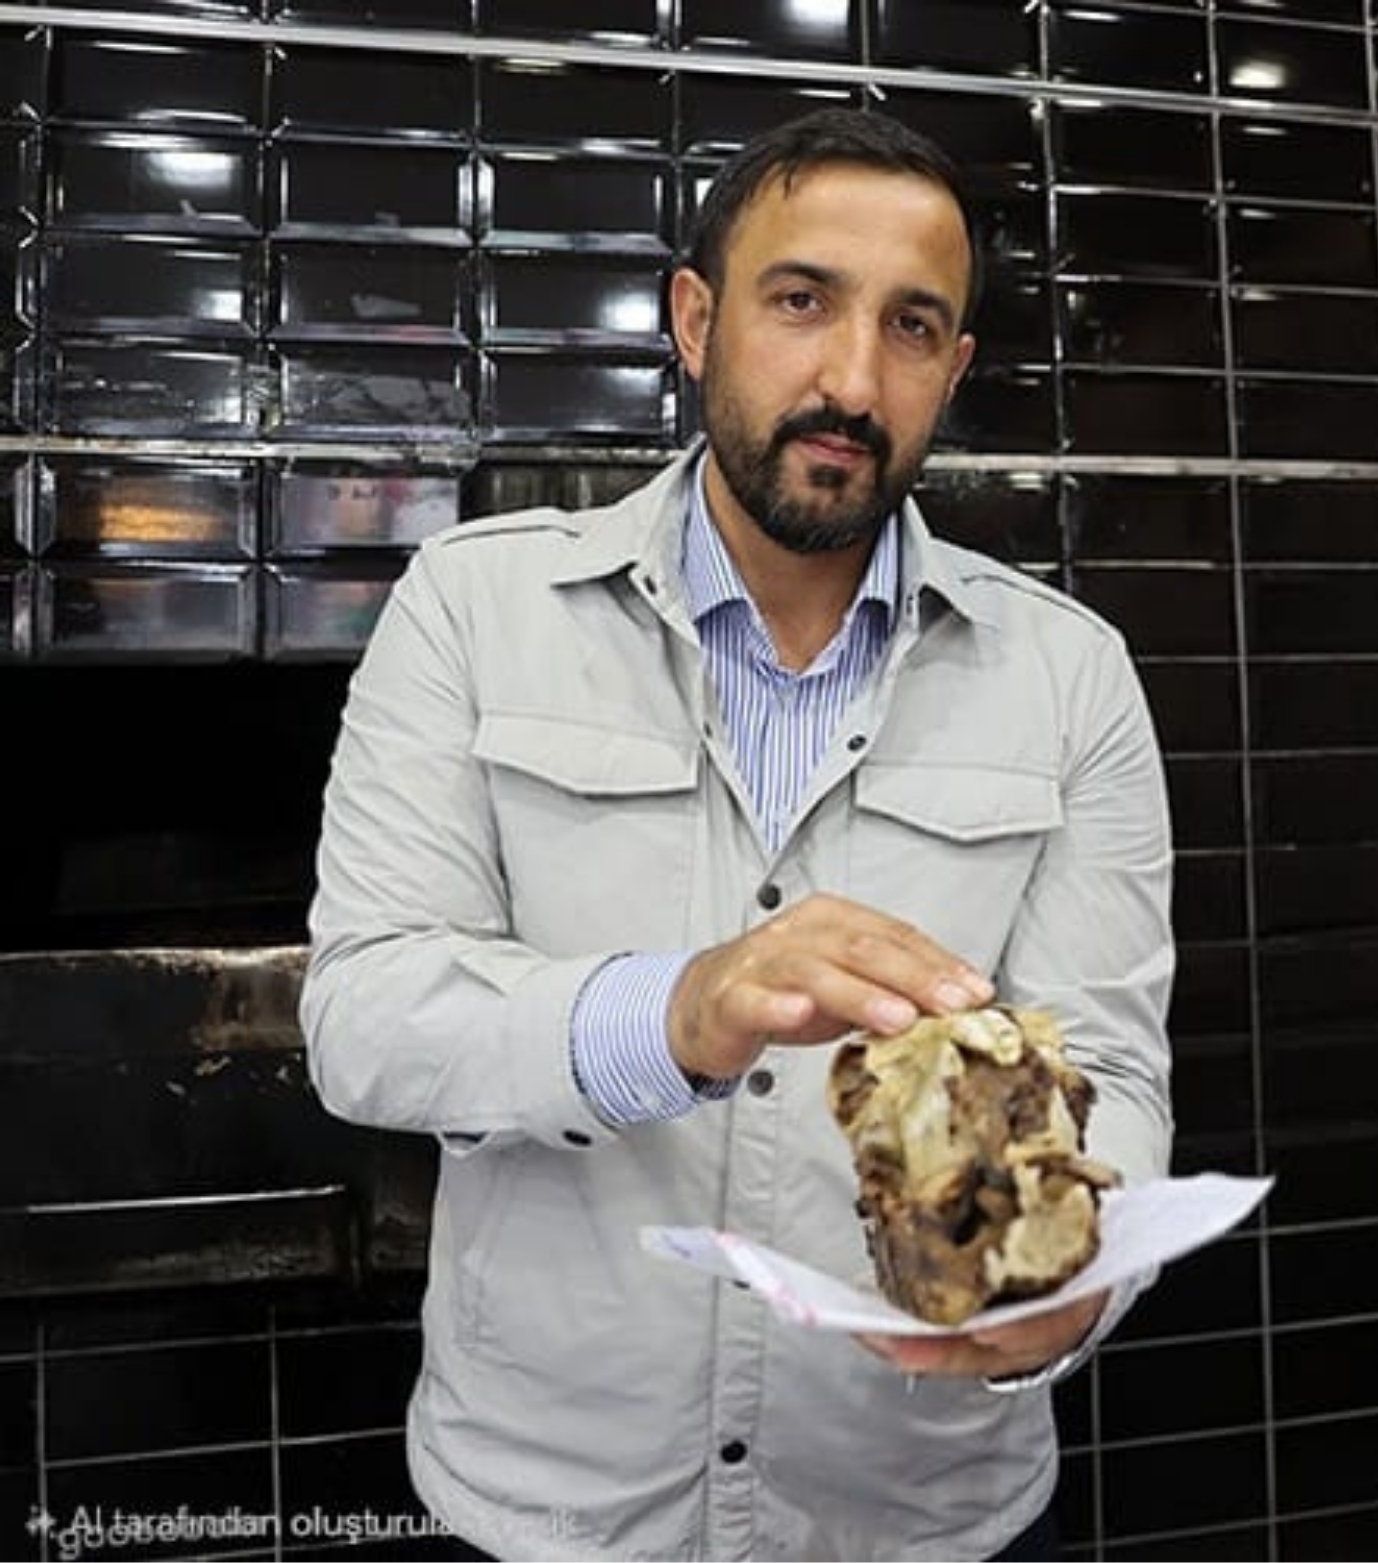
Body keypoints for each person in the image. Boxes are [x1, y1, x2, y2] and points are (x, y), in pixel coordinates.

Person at [299, 106, 1175, 1562]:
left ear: (954, 368)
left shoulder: (1071, 676)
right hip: (555, 1517)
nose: (852, 380)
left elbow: (1114, 1075)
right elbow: (364, 1018)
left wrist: (1068, 1287)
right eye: (802, 301)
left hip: (921, 1516)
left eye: (910, 326)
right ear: (696, 321)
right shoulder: (473, 608)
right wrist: (677, 1011)